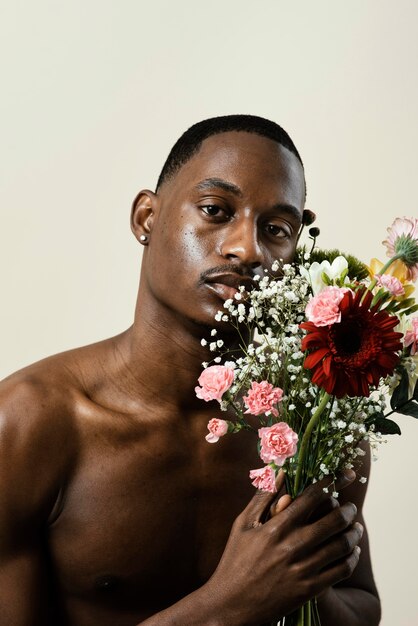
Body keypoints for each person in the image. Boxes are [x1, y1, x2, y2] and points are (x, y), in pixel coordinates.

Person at [0, 115, 381, 626]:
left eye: (276, 229)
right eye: (215, 210)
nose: (247, 249)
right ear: (146, 218)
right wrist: (228, 606)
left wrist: (301, 582)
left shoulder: (314, 425)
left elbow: (361, 607)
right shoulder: (29, 424)